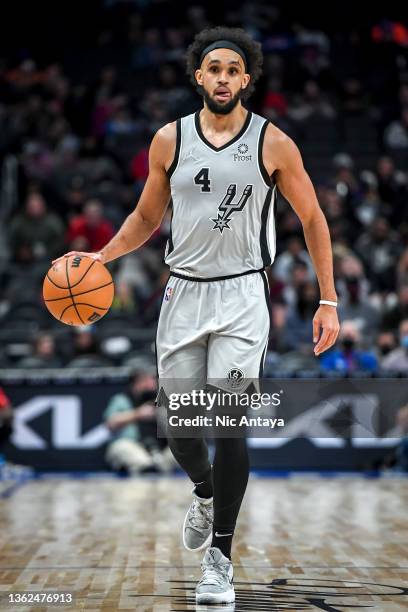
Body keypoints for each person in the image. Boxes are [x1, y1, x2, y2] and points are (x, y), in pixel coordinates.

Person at [53, 26, 340, 605]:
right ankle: (204, 493)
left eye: (235, 69)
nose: (224, 78)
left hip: (241, 297)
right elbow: (144, 218)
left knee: (230, 423)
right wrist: (100, 257)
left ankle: (221, 561)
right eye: (215, 68)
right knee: (180, 429)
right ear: (198, 76)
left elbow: (312, 218)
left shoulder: (274, 143)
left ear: (247, 79)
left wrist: (328, 299)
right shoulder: (169, 140)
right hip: (183, 293)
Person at [104, 370, 175, 475]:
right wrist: (138, 414)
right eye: (147, 380)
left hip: (162, 450)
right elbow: (111, 423)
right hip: (134, 446)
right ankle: (147, 468)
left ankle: (158, 468)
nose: (152, 384)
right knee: (122, 446)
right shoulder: (122, 399)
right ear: (137, 382)